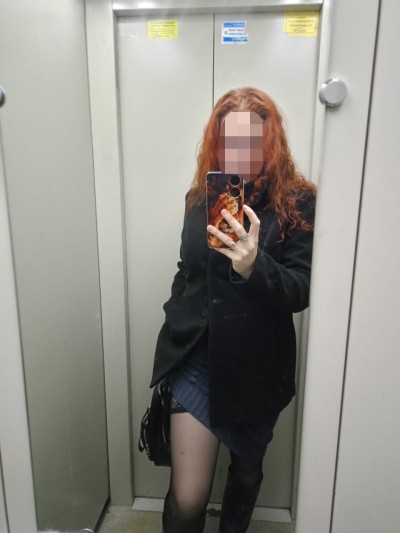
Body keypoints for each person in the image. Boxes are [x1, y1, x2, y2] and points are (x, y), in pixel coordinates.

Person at [150, 87, 316, 533]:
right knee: (188, 498)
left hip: (256, 367)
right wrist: (176, 319)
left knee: (245, 469)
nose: (240, 154)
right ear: (217, 143)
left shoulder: (297, 203)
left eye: (252, 142)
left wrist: (254, 266)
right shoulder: (200, 199)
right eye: (230, 141)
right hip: (197, 359)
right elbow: (187, 270)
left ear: (270, 143)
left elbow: (301, 290)